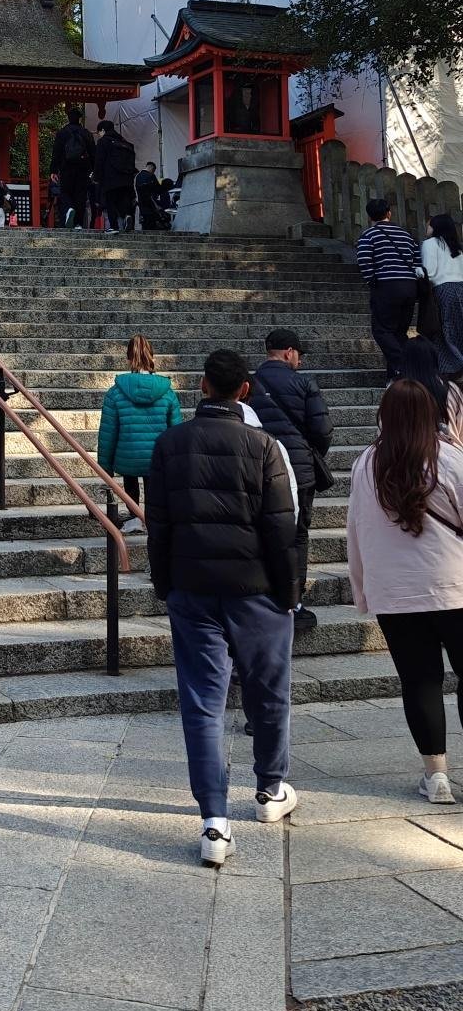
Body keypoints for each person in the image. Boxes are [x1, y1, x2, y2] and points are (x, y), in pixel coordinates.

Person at [146, 347, 299, 867]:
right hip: (257, 589)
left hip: (192, 588)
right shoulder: (264, 446)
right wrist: (290, 592)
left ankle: (213, 820)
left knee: (203, 703)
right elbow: (281, 529)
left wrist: (165, 584)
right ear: (245, 390)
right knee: (269, 692)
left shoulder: (170, 444)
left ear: (203, 386)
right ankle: (270, 789)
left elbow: (159, 526)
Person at [347, 378, 463, 804]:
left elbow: (355, 530)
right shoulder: (448, 459)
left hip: (396, 593)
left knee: (420, 681)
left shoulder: (366, 465)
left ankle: (436, 777)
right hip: (455, 588)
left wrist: (363, 589)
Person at [249, 329, 333, 641]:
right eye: (298, 353)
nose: (298, 359)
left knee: (263, 530)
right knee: (298, 535)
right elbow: (323, 430)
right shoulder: (304, 383)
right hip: (300, 470)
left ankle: (264, 595)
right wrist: (309, 455)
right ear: (288, 352)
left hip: (261, 469)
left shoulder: (250, 384)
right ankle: (294, 601)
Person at [96, 335, 183, 535]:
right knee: (153, 484)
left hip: (128, 454)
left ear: (128, 358)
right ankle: (151, 518)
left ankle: (135, 516)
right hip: (156, 455)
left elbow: (108, 433)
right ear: (152, 356)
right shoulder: (167, 392)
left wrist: (105, 468)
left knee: (130, 481)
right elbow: (176, 430)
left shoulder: (116, 392)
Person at [356, 196, 420, 380]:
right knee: (399, 332)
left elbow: (364, 261)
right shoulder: (406, 235)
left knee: (382, 330)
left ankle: (403, 366)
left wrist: (372, 281)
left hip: (386, 286)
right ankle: (395, 376)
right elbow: (417, 260)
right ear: (389, 213)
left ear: (370, 217)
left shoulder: (369, 235)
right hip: (409, 286)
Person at [396, 337, 463, 446]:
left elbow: (385, 426)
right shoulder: (451, 389)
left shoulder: (395, 390)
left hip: (404, 453)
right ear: (434, 359)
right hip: (448, 452)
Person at [421, 213, 463, 376]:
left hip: (443, 290)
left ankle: (452, 366)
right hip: (460, 288)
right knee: (458, 329)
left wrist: (416, 271)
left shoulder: (430, 244)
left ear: (436, 227)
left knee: (444, 330)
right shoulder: (457, 247)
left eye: (429, 225)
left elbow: (428, 272)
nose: (427, 227)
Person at [50, 108, 97, 229]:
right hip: (83, 168)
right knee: (80, 195)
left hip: (66, 167)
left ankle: (69, 208)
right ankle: (78, 223)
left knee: (65, 192)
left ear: (68, 118)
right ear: (79, 118)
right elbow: (93, 152)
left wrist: (53, 170)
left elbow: (56, 152)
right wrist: (93, 169)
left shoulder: (62, 133)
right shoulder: (86, 133)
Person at [94, 119, 137, 232]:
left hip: (111, 177)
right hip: (126, 178)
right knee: (123, 198)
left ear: (103, 130)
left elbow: (99, 160)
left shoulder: (103, 141)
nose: (99, 135)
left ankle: (114, 226)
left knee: (110, 200)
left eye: (99, 132)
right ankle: (127, 215)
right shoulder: (125, 143)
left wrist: (97, 177)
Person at [135, 160, 168, 232]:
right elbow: (157, 189)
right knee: (152, 226)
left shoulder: (138, 176)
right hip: (151, 206)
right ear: (152, 168)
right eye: (153, 170)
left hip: (142, 206)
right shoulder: (151, 176)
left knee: (145, 227)